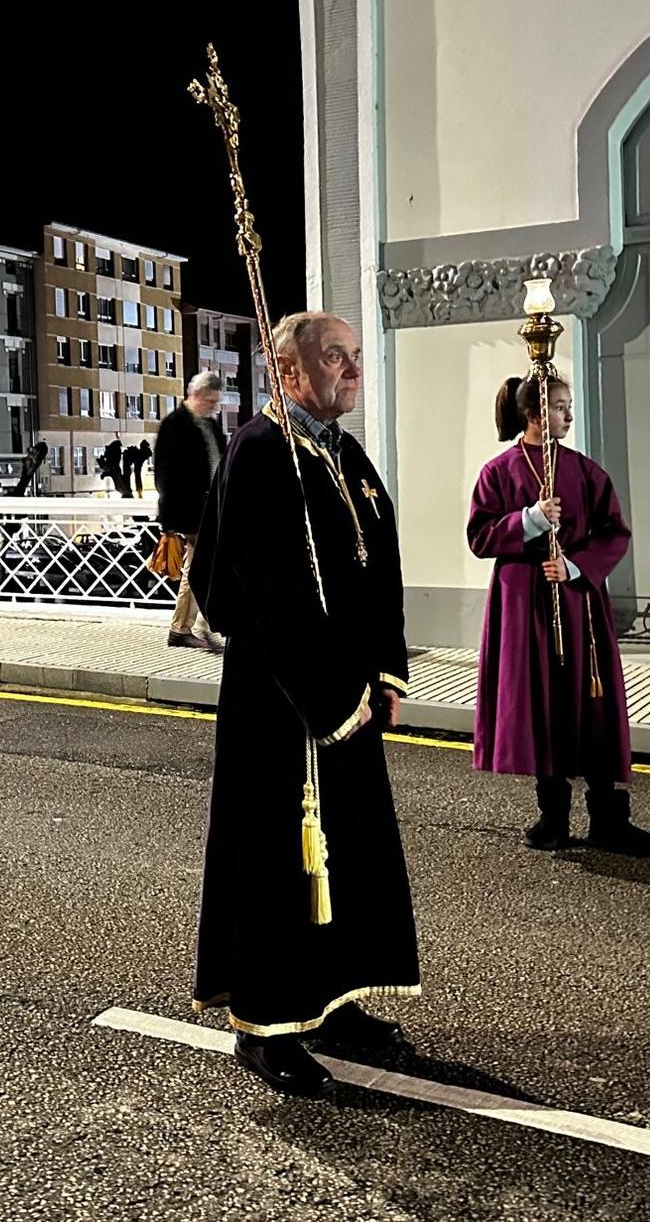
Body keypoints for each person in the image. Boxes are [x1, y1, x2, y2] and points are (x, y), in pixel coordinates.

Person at [189, 311, 419, 1099]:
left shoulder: (343, 454)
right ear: (287, 372)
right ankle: (267, 1024)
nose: (352, 369)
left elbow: (380, 565)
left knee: (347, 854)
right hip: (281, 706)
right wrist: (325, 696)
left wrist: (385, 674)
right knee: (279, 862)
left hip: (348, 699)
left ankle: (331, 999)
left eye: (355, 357)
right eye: (334, 358)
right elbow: (245, 594)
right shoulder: (258, 453)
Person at [467, 373, 650, 856]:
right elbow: (480, 536)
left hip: (578, 602)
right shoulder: (498, 471)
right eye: (560, 407)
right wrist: (531, 519)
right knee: (543, 701)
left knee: (591, 702)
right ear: (534, 414)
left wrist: (577, 566)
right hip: (523, 607)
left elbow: (614, 532)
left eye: (569, 405)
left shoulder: (585, 472)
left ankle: (608, 819)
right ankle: (552, 815)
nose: (569, 416)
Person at [153, 371, 228, 652]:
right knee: (200, 567)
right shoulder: (175, 425)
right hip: (192, 512)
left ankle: (187, 627)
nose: (213, 407)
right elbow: (165, 475)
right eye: (210, 401)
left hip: (212, 509)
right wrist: (172, 521)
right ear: (195, 396)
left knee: (199, 568)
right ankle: (193, 627)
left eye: (215, 402)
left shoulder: (209, 423)